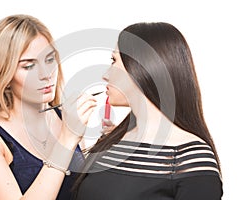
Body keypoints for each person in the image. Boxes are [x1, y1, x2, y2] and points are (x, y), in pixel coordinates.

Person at [73, 22, 223, 199]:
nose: (105, 75)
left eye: (114, 61)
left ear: (144, 67)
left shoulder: (190, 159)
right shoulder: (112, 142)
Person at [0, 14, 97, 200]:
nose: (46, 74)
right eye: (29, 66)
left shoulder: (65, 119)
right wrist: (67, 140)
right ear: (4, 74)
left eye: (50, 60)